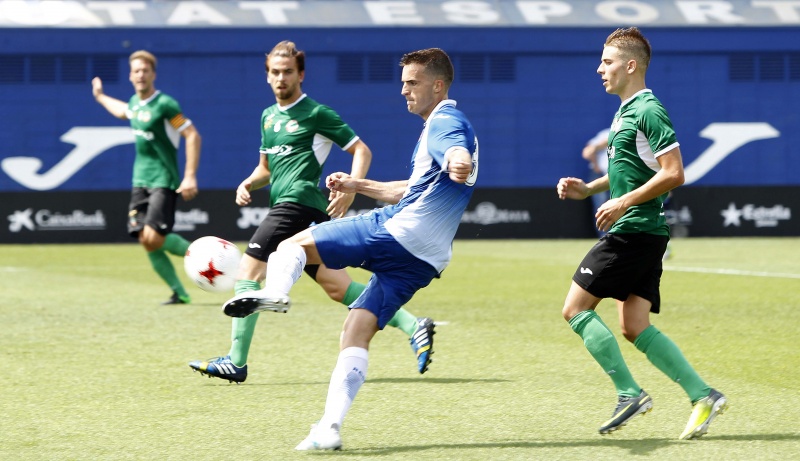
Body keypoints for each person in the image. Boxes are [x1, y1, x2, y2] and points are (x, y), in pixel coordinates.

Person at [221, 47, 477, 450]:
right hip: (425, 258)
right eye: (403, 83)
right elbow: (410, 189)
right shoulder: (436, 127)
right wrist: (360, 186)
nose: (404, 91)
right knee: (356, 328)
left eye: (412, 82)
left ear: (438, 85)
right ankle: (330, 428)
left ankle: (274, 293)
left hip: (397, 233)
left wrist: (459, 160)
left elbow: (456, 150)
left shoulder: (445, 120)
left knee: (291, 246)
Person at [188, 41, 435, 384]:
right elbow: (267, 169)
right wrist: (248, 182)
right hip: (295, 209)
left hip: (298, 204)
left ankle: (236, 360)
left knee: (249, 270)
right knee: (337, 287)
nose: (281, 78)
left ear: (300, 74)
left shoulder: (316, 113)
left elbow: (361, 149)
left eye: (288, 71)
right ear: (267, 76)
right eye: (274, 72)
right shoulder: (268, 116)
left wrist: (352, 188)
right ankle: (413, 324)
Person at [556, 27, 727, 440]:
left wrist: (623, 203)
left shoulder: (648, 109)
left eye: (607, 61)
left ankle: (628, 393)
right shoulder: (625, 110)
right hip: (646, 232)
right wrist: (589, 189)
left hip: (633, 231)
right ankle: (703, 395)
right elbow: (632, 171)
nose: (599, 69)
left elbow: (674, 172)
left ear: (630, 65)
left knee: (575, 309)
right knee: (634, 325)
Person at [92, 50, 201, 305]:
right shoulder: (134, 103)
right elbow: (122, 111)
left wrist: (190, 176)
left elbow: (192, 135)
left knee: (153, 237)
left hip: (164, 179)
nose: (141, 75)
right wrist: (99, 97)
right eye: (136, 71)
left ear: (153, 74)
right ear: (131, 76)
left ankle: (204, 255)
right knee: (146, 239)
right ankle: (180, 292)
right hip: (140, 180)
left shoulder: (165, 105)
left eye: (145, 70)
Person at [582, 128, 610, 237]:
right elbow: (587, 152)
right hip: (600, 174)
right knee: (600, 204)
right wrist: (596, 164)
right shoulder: (605, 134)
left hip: (620, 175)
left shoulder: (632, 133)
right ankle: (604, 236)